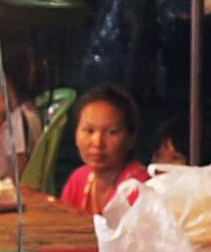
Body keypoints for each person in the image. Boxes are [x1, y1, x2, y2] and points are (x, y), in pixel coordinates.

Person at [59, 83, 151, 216]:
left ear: (131, 138)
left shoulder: (137, 188)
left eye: (112, 132)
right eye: (89, 131)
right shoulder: (78, 179)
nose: (97, 143)